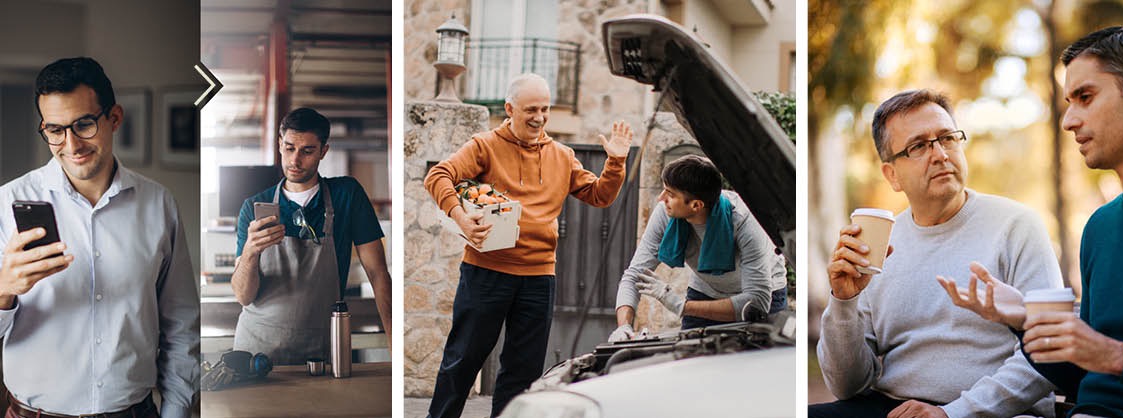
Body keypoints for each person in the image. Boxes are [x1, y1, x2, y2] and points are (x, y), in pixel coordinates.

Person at [940, 26, 1123, 417]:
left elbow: (1111, 360)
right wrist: (1026, 319)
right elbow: (1085, 378)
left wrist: (1115, 356)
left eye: (1085, 97)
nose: (1068, 121)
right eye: (1069, 102)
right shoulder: (1099, 228)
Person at [810, 90, 1059, 418]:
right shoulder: (879, 244)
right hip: (894, 406)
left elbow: (1048, 350)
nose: (940, 154)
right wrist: (843, 301)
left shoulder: (1017, 225)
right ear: (892, 175)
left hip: (996, 412)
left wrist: (952, 413)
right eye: (918, 146)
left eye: (947, 138)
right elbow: (846, 386)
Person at [423, 73, 633, 418]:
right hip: (485, 273)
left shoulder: (562, 155)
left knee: (522, 373)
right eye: (531, 109)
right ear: (510, 109)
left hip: (538, 278)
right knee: (462, 361)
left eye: (545, 109)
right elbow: (438, 175)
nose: (540, 117)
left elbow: (600, 196)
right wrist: (460, 216)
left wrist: (616, 162)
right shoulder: (485, 146)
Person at [0, 57, 198, 417]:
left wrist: (176, 410)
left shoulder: (159, 204)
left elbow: (181, 324)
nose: (71, 144)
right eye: (55, 130)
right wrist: (3, 290)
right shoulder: (5, 204)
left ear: (115, 118)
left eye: (84, 125)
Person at [231, 107, 392, 365]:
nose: (295, 160)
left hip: (320, 349)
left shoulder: (346, 195)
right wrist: (250, 252)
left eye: (307, 151)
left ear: (323, 151)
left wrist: (394, 343)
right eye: (289, 148)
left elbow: (378, 273)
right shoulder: (253, 207)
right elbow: (243, 296)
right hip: (257, 351)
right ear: (280, 144)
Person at [607, 155, 788, 340]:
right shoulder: (665, 213)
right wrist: (624, 327)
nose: (662, 198)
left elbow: (756, 303)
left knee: (757, 356)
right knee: (690, 355)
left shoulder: (744, 220)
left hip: (763, 295)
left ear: (696, 205)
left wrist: (680, 305)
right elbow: (634, 275)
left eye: (670, 194)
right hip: (706, 290)